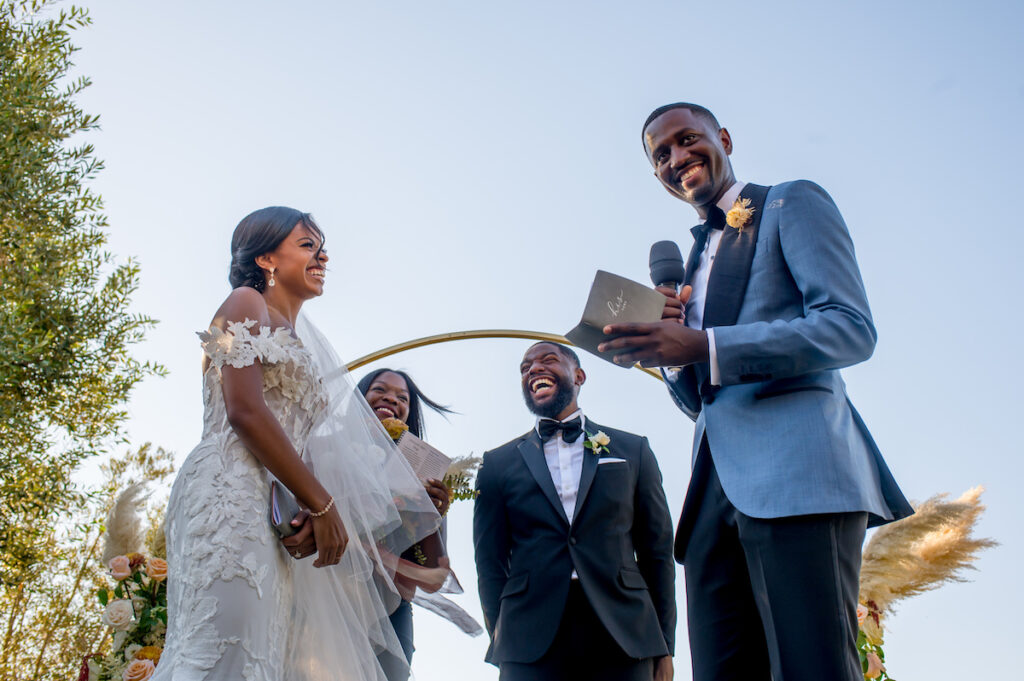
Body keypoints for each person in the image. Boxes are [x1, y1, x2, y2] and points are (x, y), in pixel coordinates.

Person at [599, 103, 914, 681]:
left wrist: (704, 345)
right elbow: (701, 400)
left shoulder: (790, 202)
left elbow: (849, 327)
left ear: (723, 137)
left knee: (810, 665)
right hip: (711, 499)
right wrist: (668, 356)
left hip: (798, 475)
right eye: (660, 155)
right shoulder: (690, 264)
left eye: (687, 139)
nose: (677, 158)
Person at [154, 207, 442, 681]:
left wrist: (308, 513)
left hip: (274, 513)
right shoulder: (244, 302)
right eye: (308, 245)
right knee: (221, 651)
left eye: (321, 246)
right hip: (228, 494)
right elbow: (244, 411)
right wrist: (324, 507)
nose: (323, 255)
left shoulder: (304, 345)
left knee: (258, 658)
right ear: (267, 258)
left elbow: (299, 445)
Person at [473, 341, 675, 681]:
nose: (534, 369)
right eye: (525, 368)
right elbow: (489, 561)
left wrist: (665, 644)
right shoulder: (496, 464)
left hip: (626, 632)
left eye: (548, 360)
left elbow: (657, 552)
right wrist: (501, 631)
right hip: (528, 638)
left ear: (579, 375)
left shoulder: (633, 449)